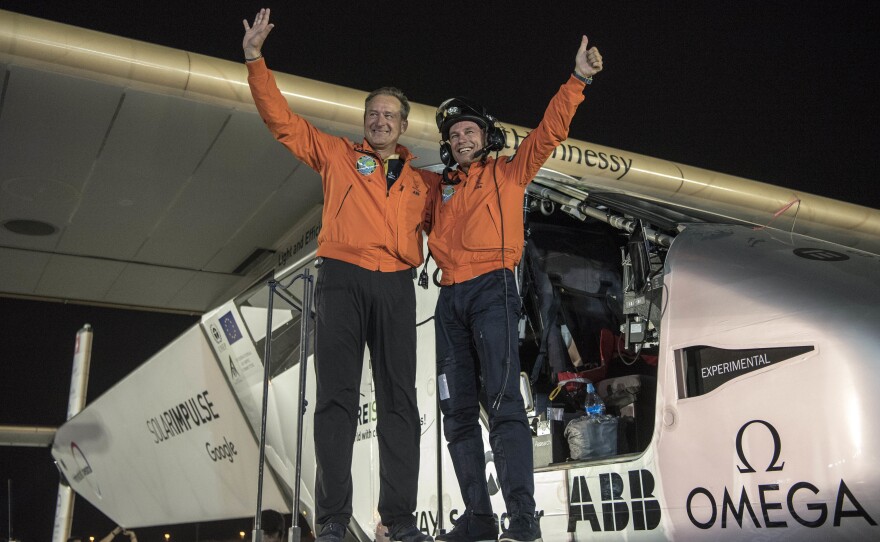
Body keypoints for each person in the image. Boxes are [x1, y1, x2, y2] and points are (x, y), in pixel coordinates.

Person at [242, 9, 435, 542]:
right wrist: (256, 60)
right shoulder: (336, 156)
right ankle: (331, 520)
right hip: (342, 281)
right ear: (365, 120)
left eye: (389, 115)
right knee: (335, 400)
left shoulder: (422, 182)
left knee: (400, 403)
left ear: (402, 125)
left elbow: (461, 223)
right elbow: (282, 122)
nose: (379, 121)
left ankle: (398, 521)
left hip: (396, 286)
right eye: (372, 113)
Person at [424, 36, 603, 542]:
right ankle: (479, 519)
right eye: (453, 133)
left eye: (468, 130)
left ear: (487, 136)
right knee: (455, 413)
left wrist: (578, 80)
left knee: (502, 402)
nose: (460, 138)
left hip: (493, 293)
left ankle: (522, 522)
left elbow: (549, 133)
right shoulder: (437, 188)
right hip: (450, 301)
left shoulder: (510, 173)